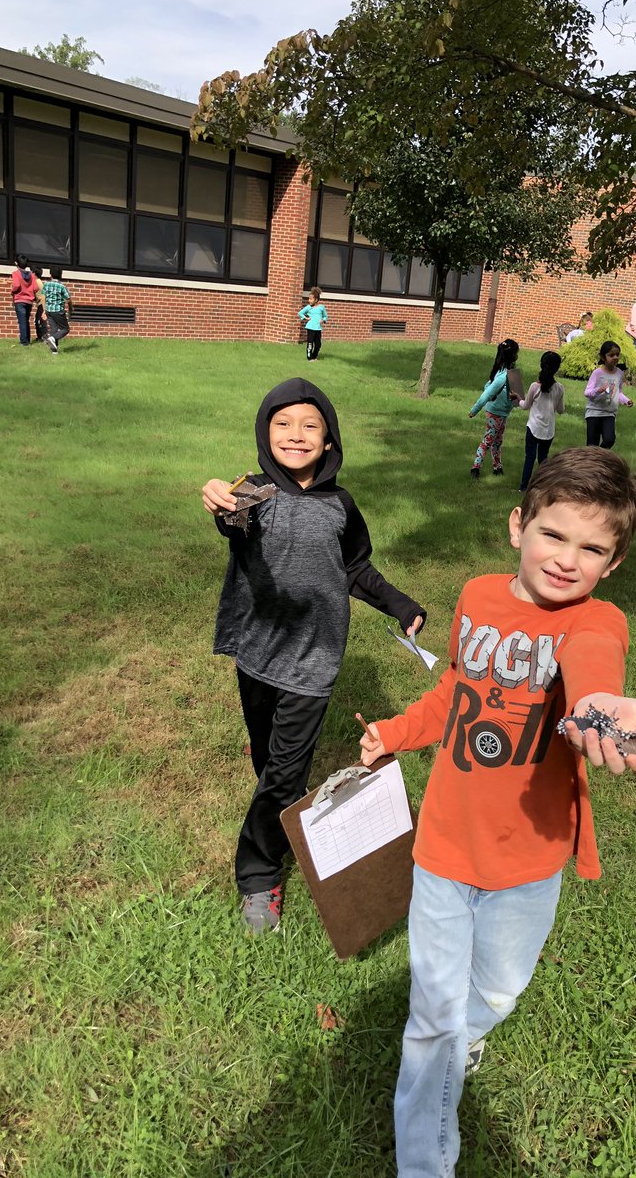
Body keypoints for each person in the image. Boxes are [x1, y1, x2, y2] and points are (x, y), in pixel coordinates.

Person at [358, 448, 636, 1178]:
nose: (568, 559)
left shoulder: (598, 621)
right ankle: (425, 1161)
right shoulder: (476, 596)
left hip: (530, 858)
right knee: (433, 1020)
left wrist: (597, 703)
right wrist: (396, 731)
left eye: (593, 548)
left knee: (497, 991)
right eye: (554, 534)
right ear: (518, 525)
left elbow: (594, 662)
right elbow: (455, 692)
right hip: (444, 844)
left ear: (615, 563)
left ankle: (465, 1035)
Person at [201, 378, 426, 934]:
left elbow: (354, 567)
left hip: (314, 656)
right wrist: (218, 500)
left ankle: (259, 876)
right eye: (282, 424)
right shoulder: (250, 492)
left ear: (328, 440)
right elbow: (231, 522)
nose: (295, 435)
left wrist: (398, 604)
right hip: (256, 650)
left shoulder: (340, 505)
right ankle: (282, 805)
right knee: (270, 760)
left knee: (282, 771)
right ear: (264, 431)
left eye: (310, 425)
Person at [469, 338, 521, 479]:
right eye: (516, 353)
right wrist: (474, 410)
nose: (517, 355)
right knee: (488, 440)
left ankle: (497, 467)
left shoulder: (507, 370)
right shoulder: (503, 376)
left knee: (497, 441)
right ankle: (475, 468)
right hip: (495, 413)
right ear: (512, 355)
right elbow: (487, 392)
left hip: (503, 413)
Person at [518, 350, 565, 492]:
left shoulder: (534, 386)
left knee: (530, 458)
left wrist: (518, 399)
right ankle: (543, 486)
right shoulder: (559, 388)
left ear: (541, 365)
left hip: (533, 427)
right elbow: (561, 409)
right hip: (549, 430)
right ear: (557, 368)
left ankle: (523, 487)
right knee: (543, 458)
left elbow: (525, 406)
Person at [584, 340, 633, 449]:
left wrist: (626, 400)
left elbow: (618, 392)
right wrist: (598, 390)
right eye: (611, 355)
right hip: (594, 412)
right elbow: (587, 392)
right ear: (603, 357)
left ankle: (600, 456)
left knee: (609, 439)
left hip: (609, 413)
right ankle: (591, 461)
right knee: (592, 445)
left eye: (617, 355)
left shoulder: (619, 373)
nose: (615, 357)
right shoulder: (597, 373)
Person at [10, 254, 40, 347]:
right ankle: (27, 340)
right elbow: (35, 288)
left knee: (22, 321)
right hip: (29, 301)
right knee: (26, 321)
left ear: (16, 263)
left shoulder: (16, 273)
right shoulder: (31, 275)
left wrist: (12, 291)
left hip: (20, 300)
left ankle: (24, 342)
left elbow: (16, 286)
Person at [42, 266, 72, 354]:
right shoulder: (62, 286)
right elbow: (68, 299)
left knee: (54, 329)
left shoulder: (46, 284)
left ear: (50, 275)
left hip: (49, 310)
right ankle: (51, 338)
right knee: (65, 329)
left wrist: (44, 310)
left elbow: (43, 297)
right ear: (61, 275)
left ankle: (54, 351)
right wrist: (71, 308)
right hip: (58, 310)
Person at [298, 287, 328, 361]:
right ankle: (309, 358)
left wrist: (323, 320)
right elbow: (300, 313)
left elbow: (325, 316)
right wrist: (306, 318)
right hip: (310, 328)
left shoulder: (322, 307)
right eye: (309, 299)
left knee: (318, 344)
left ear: (316, 300)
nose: (309, 300)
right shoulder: (308, 307)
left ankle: (314, 356)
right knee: (310, 343)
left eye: (311, 299)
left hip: (318, 328)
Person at [31, 264, 48, 343]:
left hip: (42, 303)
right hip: (40, 303)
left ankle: (43, 338)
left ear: (34, 273)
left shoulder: (37, 282)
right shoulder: (38, 281)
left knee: (40, 321)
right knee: (38, 320)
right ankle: (41, 337)